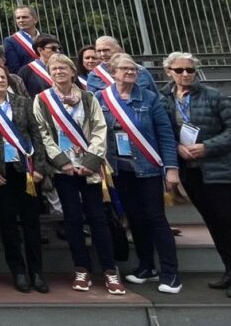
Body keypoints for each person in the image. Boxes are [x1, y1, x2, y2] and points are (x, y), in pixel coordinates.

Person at [32, 53, 125, 294]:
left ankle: (109, 269)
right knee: (72, 219)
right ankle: (81, 268)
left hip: (89, 167)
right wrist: (62, 162)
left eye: (63, 67)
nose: (59, 72)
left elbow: (99, 128)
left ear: (73, 71)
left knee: (98, 218)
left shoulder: (88, 97)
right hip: (64, 169)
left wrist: (91, 160)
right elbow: (43, 134)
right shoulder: (42, 99)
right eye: (54, 68)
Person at [99, 53, 181, 293]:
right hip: (118, 169)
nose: (130, 72)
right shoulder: (100, 98)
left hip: (147, 167)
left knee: (156, 218)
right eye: (124, 69)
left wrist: (171, 168)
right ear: (113, 72)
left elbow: (165, 135)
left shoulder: (149, 98)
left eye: (133, 69)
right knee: (134, 218)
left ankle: (170, 273)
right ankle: (147, 266)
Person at [0, 64, 48, 293]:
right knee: (8, 225)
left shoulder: (23, 103)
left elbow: (37, 135)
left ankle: (37, 271)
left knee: (32, 223)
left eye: (3, 77)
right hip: (1, 173)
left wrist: (40, 168)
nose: (0, 80)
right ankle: (19, 271)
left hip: (27, 170)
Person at [160, 52, 231, 295]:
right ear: (169, 71)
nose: (185, 74)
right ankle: (229, 271)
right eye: (179, 70)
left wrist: (207, 147)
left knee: (227, 222)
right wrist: (178, 148)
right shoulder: (164, 99)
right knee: (214, 223)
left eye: (190, 70)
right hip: (191, 172)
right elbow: (165, 131)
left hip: (218, 170)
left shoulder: (213, 96)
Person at [87, 36, 158, 95]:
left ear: (119, 50)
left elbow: (157, 98)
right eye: (99, 51)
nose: (102, 54)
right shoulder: (94, 75)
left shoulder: (140, 70)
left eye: (106, 50)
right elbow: (91, 104)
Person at [4, 5, 42, 74]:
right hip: (27, 81)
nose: (21, 20)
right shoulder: (10, 41)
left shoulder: (50, 38)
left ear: (35, 19)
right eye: (18, 18)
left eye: (25, 17)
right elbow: (14, 69)